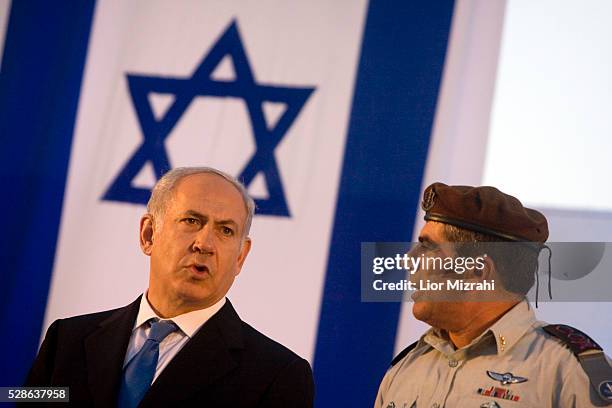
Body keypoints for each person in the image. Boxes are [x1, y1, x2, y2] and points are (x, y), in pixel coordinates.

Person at [26, 167, 314, 407]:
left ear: (240, 256)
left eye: (226, 230)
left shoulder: (278, 375)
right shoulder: (65, 340)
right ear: (149, 234)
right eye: (191, 220)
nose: (205, 243)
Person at [375, 182, 612, 408]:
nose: (408, 259)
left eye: (427, 246)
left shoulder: (568, 371)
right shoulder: (406, 367)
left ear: (478, 270)